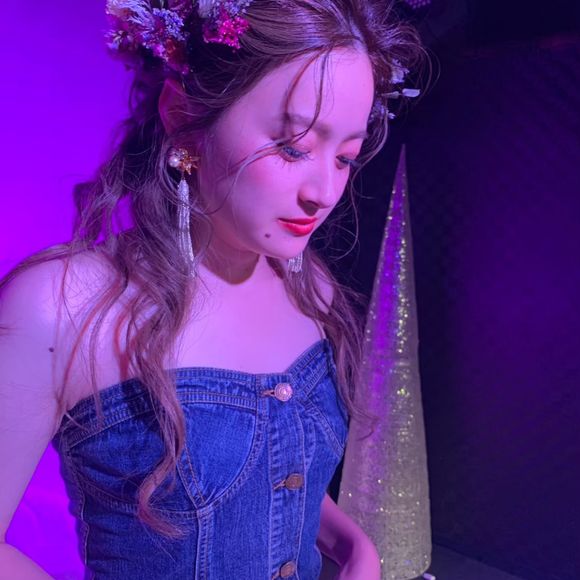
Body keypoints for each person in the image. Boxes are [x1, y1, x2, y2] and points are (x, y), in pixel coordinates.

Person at [0, 0, 424, 577]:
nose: (324, 191)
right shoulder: (62, 309)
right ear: (184, 116)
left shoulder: (310, 289)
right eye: (294, 146)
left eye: (346, 157)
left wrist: (354, 546)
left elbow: (268, 482)